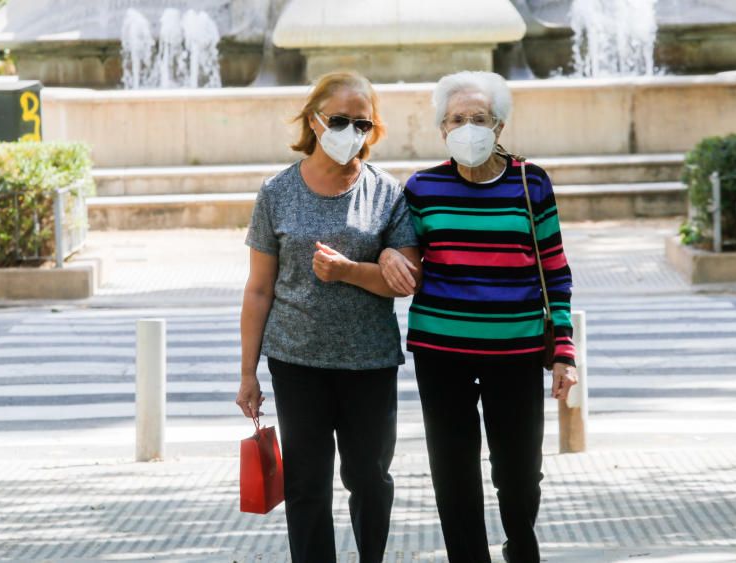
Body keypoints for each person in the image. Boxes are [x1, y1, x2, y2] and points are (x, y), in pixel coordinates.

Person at [378, 71, 578, 563]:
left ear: (500, 126)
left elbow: (555, 268)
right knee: (452, 469)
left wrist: (565, 354)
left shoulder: (532, 182)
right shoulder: (422, 188)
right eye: (457, 119)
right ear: (443, 130)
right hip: (441, 351)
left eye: (480, 118)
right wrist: (387, 256)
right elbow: (402, 253)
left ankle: (520, 545)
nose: (469, 127)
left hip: (516, 348)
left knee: (519, 471)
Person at [236, 71, 421, 563]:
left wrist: (349, 271)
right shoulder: (276, 192)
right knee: (307, 484)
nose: (351, 133)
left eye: (363, 123)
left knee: (369, 479)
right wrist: (247, 373)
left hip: (369, 362)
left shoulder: (388, 194)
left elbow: (404, 280)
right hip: (297, 362)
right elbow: (258, 290)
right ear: (315, 121)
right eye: (340, 120)